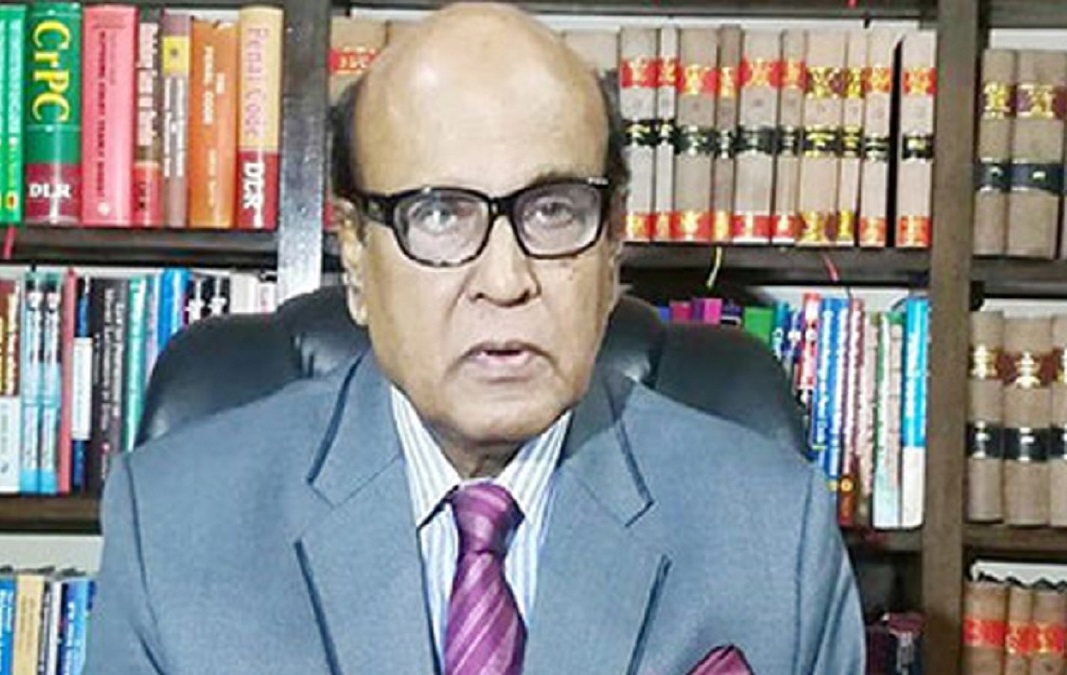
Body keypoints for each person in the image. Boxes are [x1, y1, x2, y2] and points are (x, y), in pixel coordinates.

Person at [83, 4, 865, 674]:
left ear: (612, 247)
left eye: (553, 210)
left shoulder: (772, 533)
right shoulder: (176, 524)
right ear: (354, 254)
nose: (504, 279)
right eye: (439, 213)